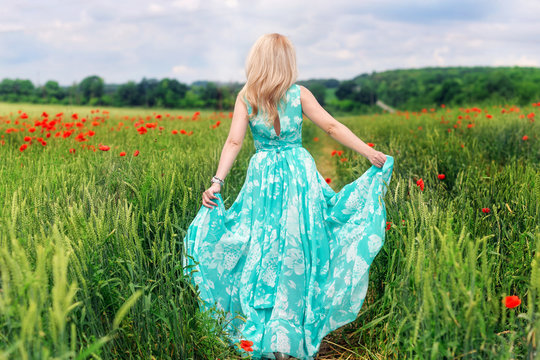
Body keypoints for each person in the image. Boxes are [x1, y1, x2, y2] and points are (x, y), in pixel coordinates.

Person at [183, 33, 394, 360]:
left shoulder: (247, 96)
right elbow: (332, 127)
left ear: (257, 60)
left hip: (264, 179)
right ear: (287, 62)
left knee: (264, 246)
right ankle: (289, 333)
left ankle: (272, 331)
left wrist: (217, 181)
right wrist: (368, 152)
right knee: (299, 246)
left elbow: (234, 143)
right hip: (298, 174)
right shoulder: (299, 94)